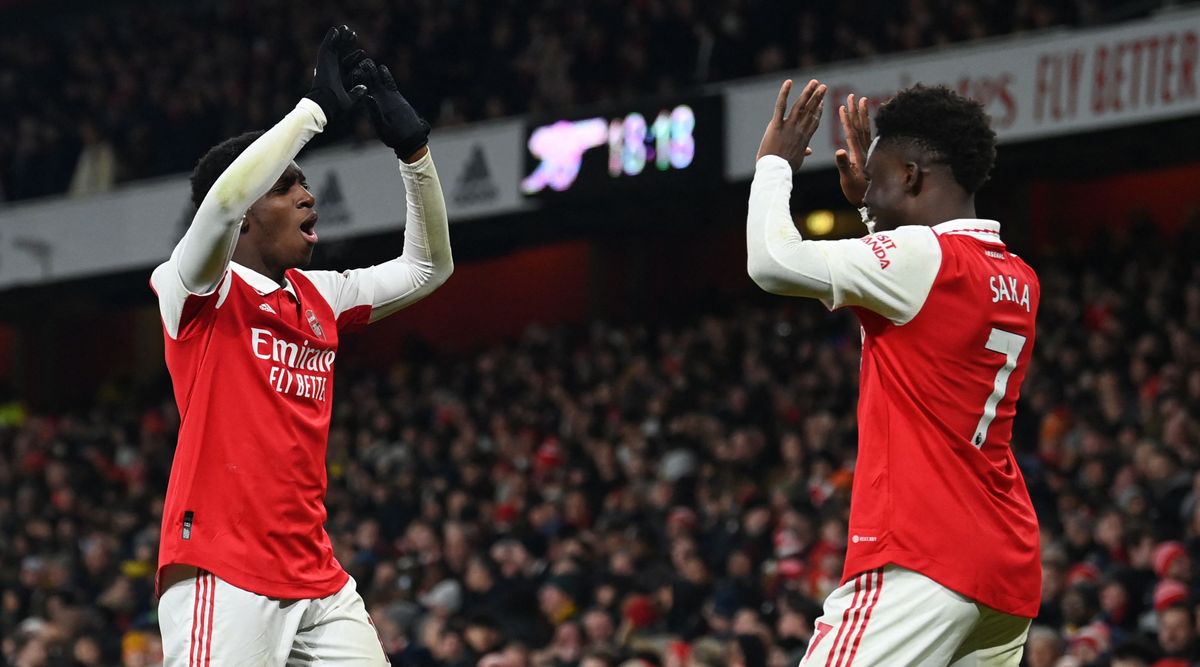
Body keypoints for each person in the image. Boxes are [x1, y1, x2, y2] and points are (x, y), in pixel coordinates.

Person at [149, 25, 452, 664]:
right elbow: (224, 197)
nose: (308, 195)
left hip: (316, 576)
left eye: (303, 184)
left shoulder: (321, 297)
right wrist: (311, 112)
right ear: (249, 213)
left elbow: (429, 269)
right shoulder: (194, 288)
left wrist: (415, 155)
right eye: (287, 187)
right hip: (223, 569)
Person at [746, 79, 1041, 664]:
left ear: (911, 176)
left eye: (876, 180)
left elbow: (772, 262)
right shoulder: (1020, 277)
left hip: (920, 556)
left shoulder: (921, 260)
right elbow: (914, 297)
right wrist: (872, 211)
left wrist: (774, 165)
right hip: (1003, 568)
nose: (866, 195)